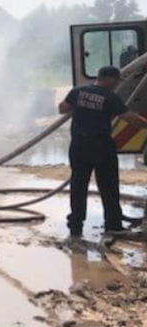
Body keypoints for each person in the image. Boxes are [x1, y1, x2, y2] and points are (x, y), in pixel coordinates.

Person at [58, 66, 147, 237]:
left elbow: (62, 108)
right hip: (101, 146)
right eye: (116, 82)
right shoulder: (110, 97)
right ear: (110, 79)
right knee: (108, 186)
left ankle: (75, 224)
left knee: (78, 186)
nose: (116, 85)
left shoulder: (78, 91)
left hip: (78, 146)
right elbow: (130, 119)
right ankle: (113, 225)